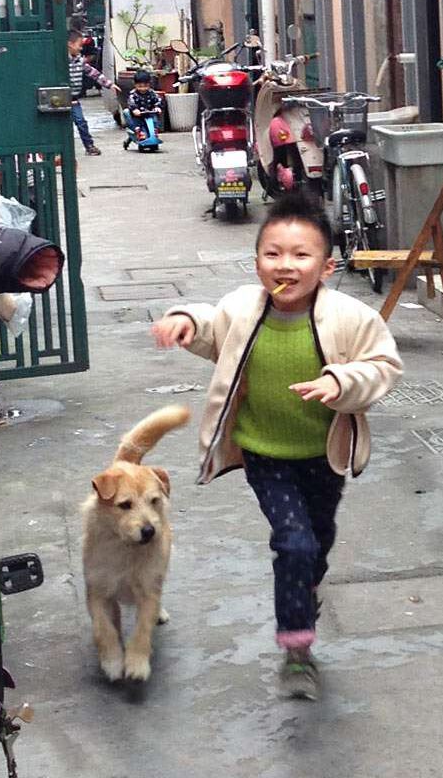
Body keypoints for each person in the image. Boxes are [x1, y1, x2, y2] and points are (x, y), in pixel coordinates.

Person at [150, 192, 403, 700]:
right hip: (264, 454)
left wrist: (341, 381)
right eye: (272, 253)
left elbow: (383, 366)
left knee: (317, 543)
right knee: (294, 542)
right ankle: (297, 648)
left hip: (323, 454)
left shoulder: (352, 318)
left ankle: (303, 587)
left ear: (327, 266)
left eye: (301, 255)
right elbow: (211, 326)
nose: (284, 265)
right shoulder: (243, 308)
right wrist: (185, 321)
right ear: (257, 261)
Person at [68, 29, 120, 156]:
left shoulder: (80, 61)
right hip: (61, 99)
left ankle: (89, 146)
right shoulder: (61, 61)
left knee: (81, 122)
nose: (81, 48)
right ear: (70, 44)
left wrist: (109, 84)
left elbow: (94, 73)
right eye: (79, 45)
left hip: (74, 99)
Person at [126, 70, 163, 141]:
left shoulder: (151, 93)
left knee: (155, 118)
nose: (143, 89)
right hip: (138, 114)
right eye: (140, 86)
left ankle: (155, 131)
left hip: (149, 113)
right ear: (135, 85)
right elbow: (131, 102)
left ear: (149, 84)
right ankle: (139, 132)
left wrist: (157, 107)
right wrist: (134, 109)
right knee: (133, 119)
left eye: (145, 86)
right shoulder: (133, 94)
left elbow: (158, 99)